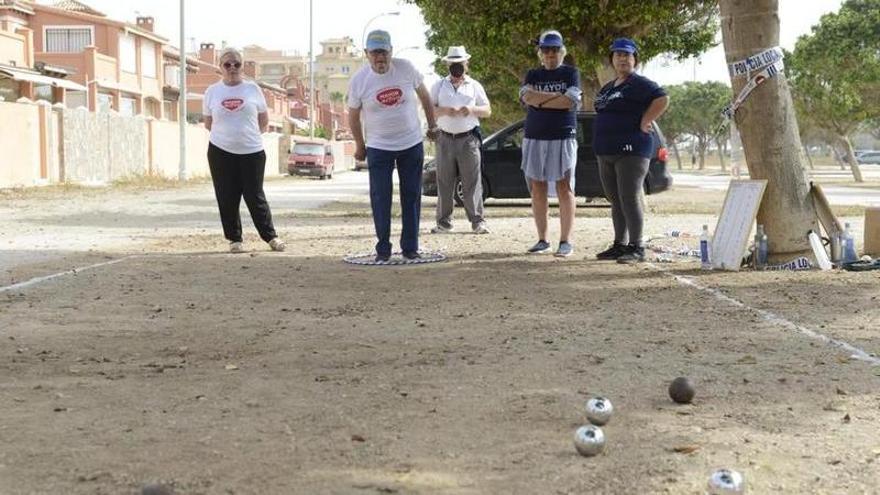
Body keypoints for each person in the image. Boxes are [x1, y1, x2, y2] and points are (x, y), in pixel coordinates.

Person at [348, 30, 437, 262]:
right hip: (378, 147)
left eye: (384, 52)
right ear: (367, 54)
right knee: (381, 197)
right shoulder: (359, 80)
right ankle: (383, 249)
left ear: (391, 51)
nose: (380, 58)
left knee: (411, 195)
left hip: (411, 143)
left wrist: (433, 125)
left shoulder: (406, 68)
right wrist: (360, 145)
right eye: (375, 52)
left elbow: (426, 97)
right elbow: (353, 116)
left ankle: (410, 247)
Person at [593, 38, 669, 263]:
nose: (622, 59)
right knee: (615, 199)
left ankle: (637, 246)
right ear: (612, 60)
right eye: (618, 55)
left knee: (629, 197)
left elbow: (662, 99)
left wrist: (646, 120)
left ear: (635, 59)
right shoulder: (607, 88)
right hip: (606, 150)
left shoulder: (640, 83)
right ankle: (620, 244)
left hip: (632, 150)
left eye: (627, 55)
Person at [203, 47, 285, 253]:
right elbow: (208, 122)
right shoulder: (212, 91)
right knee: (226, 195)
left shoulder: (252, 89)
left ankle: (271, 237)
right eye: (227, 64)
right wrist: (228, 136)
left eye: (236, 64)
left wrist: (246, 136)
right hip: (220, 151)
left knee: (254, 195)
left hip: (252, 152)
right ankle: (234, 239)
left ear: (242, 66)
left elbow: (263, 120)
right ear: (220, 67)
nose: (232, 68)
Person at [519, 30, 582, 257]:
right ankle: (543, 240)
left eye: (554, 50)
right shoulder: (532, 74)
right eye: (546, 50)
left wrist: (540, 100)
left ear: (562, 52)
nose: (550, 54)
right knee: (537, 188)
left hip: (563, 135)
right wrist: (555, 99)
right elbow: (527, 98)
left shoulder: (571, 73)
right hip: (534, 136)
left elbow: (570, 101)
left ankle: (565, 241)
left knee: (565, 187)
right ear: (540, 53)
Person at [430, 46, 492, 235]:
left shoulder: (475, 86)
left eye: (460, 63)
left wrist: (471, 110)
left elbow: (488, 110)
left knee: (472, 181)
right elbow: (430, 110)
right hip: (444, 138)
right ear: (448, 65)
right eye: (453, 64)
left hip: (468, 139)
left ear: (466, 64)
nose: (456, 67)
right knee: (444, 181)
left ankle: (477, 221)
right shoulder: (439, 86)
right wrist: (444, 111)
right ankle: (443, 222)